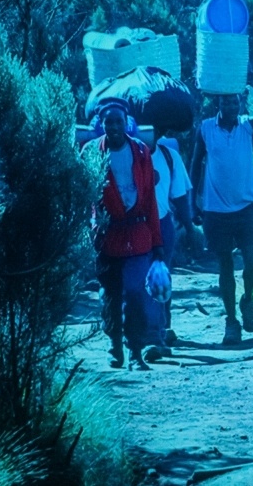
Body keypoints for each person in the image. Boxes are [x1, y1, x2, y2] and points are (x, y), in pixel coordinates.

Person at [190, 70, 253, 345]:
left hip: (246, 207)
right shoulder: (207, 129)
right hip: (216, 210)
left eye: (235, 102)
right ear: (218, 104)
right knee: (224, 266)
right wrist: (192, 202)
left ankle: (248, 299)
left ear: (240, 103)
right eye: (226, 102)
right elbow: (195, 164)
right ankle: (231, 322)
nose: (232, 107)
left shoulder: (248, 125)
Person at [84, 98, 165, 371]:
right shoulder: (91, 153)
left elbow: (151, 201)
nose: (114, 126)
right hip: (107, 236)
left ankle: (135, 351)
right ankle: (114, 346)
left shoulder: (141, 151)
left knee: (135, 293)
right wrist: (90, 233)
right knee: (111, 293)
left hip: (139, 233)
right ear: (101, 124)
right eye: (109, 122)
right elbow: (86, 198)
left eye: (119, 121)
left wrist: (158, 243)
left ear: (127, 122)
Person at [141, 126, 197, 357]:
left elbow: (180, 196)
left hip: (163, 223)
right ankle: (145, 331)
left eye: (152, 128)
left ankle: (160, 329)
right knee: (136, 279)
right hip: (132, 224)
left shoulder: (168, 156)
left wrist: (190, 228)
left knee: (160, 277)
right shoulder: (128, 153)